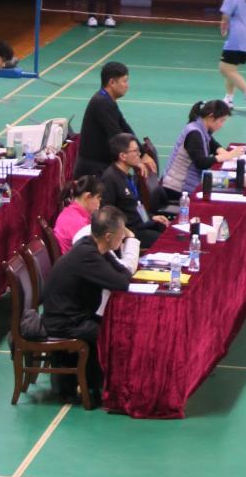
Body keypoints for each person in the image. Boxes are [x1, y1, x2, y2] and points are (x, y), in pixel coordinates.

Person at [42, 204, 133, 399]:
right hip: (65, 322)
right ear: (108, 236)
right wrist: (121, 273)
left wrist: (120, 270)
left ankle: (98, 383)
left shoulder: (93, 246)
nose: (124, 237)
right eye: (122, 234)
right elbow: (122, 283)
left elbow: (124, 273)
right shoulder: (87, 256)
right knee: (114, 333)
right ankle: (106, 388)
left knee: (113, 325)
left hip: (76, 315)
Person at [75, 62, 156, 179]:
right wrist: (137, 158)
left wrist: (142, 154)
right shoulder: (102, 103)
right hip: (94, 172)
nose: (127, 86)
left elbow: (125, 128)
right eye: (124, 81)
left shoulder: (107, 100)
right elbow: (117, 136)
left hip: (102, 166)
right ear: (112, 82)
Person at [160, 100, 246, 202]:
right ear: (211, 117)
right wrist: (227, 156)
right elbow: (201, 163)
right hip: (176, 189)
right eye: (222, 121)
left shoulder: (201, 127)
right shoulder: (194, 133)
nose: (222, 125)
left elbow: (212, 144)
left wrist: (226, 153)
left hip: (185, 185)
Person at [98, 134, 170, 249]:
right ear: (123, 156)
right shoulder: (110, 179)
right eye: (135, 151)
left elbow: (137, 206)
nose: (139, 154)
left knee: (169, 230)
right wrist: (124, 232)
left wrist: (151, 218)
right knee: (165, 241)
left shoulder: (128, 176)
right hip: (130, 232)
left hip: (142, 224)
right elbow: (107, 214)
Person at [219, 0, 246, 113]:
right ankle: (229, 99)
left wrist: (223, 26)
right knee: (232, 69)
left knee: (225, 68)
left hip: (237, 38)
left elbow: (225, 16)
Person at [52, 175, 102, 254]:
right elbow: (92, 253)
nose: (99, 204)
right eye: (98, 198)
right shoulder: (78, 223)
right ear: (88, 196)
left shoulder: (71, 211)